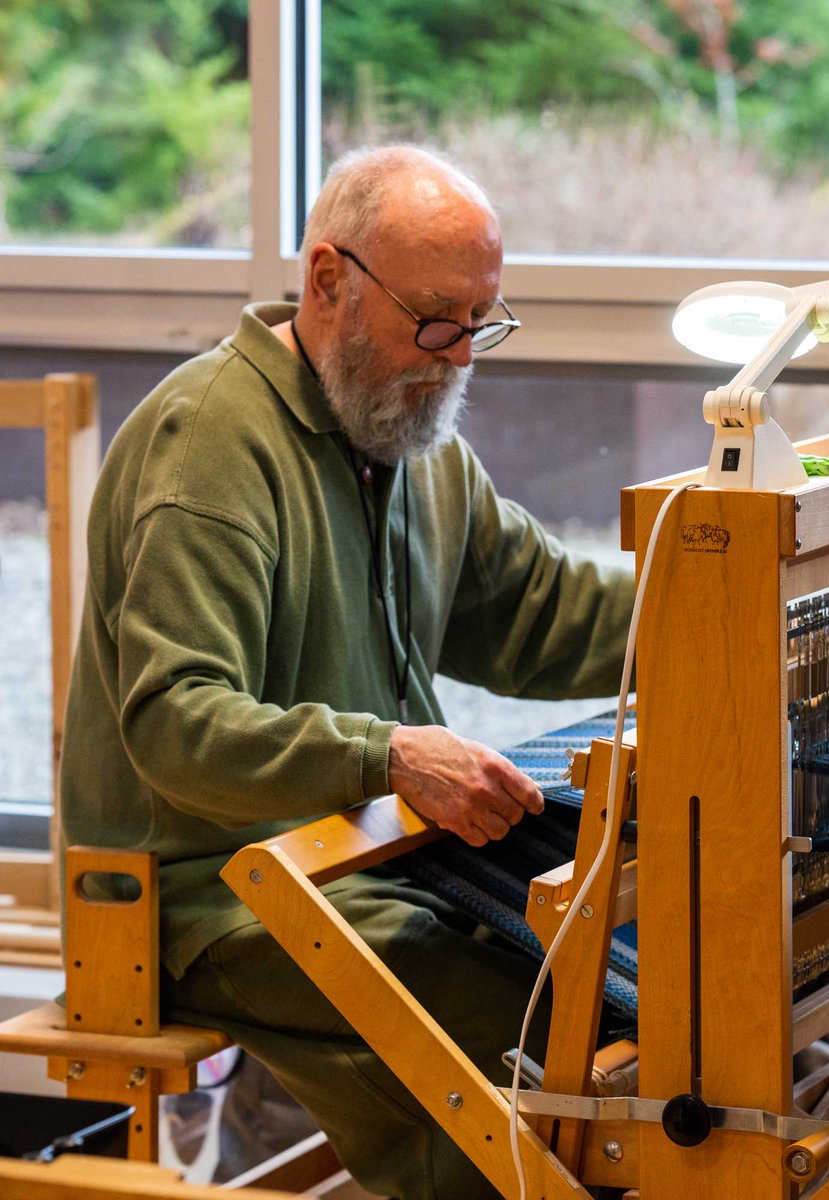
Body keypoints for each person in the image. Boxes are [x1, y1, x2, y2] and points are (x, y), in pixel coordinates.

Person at [59, 144, 635, 1198]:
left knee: (632, 979)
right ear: (329, 282)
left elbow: (538, 614)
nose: (461, 356)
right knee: (546, 1025)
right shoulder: (210, 450)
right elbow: (175, 723)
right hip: (205, 894)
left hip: (360, 858)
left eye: (482, 322)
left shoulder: (414, 441)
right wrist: (388, 755)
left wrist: (732, 603)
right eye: (435, 320)